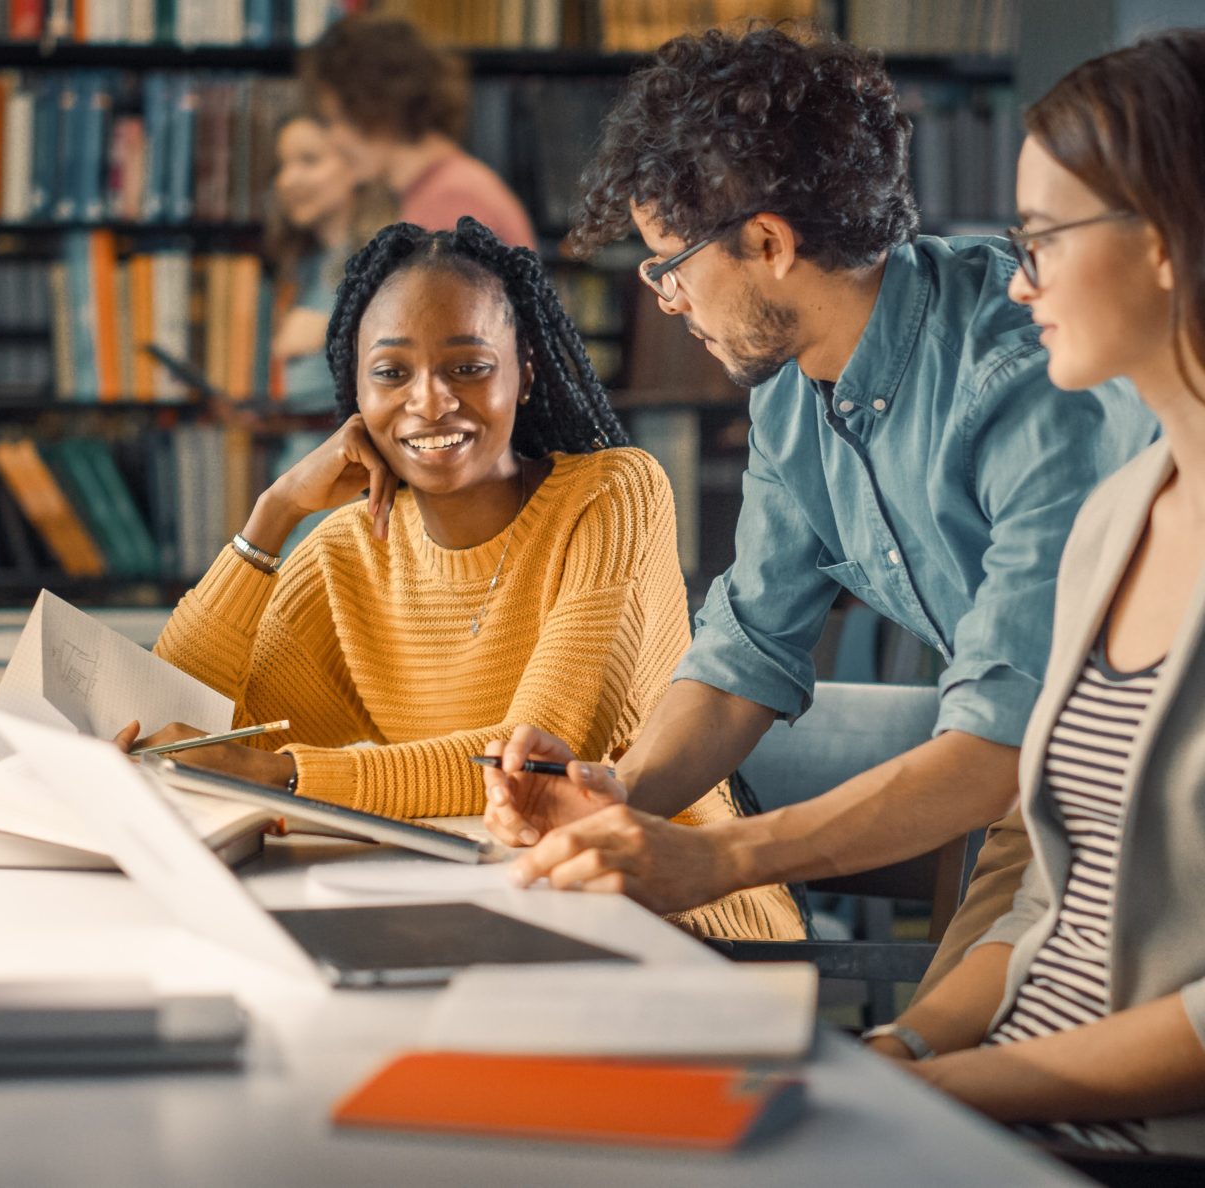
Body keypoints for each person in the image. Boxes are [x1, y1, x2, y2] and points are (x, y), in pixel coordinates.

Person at [478, 27, 1156, 994]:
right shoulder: (790, 400)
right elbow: (743, 656)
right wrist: (613, 795)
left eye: (668, 261)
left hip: (1133, 785)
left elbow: (998, 752)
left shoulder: (1021, 378)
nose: (665, 299)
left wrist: (719, 859)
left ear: (767, 242)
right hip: (1043, 785)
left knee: (953, 1086)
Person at [119, 217, 803, 941]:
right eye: (391, 373)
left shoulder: (611, 499)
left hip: (676, 917)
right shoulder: (344, 552)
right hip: (488, 909)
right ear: (355, 391)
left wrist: (288, 779)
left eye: (468, 367)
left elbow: (528, 764)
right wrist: (272, 512)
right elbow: (191, 732)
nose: (430, 400)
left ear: (526, 370)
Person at [859, 31, 1205, 1157]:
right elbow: (1047, 907)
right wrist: (906, 1050)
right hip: (1005, 1109)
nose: (1017, 282)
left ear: (1163, 242)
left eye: (1043, 238)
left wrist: (959, 1091)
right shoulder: (1116, 517)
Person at [298, 16, 536, 250]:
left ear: (377, 103)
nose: (333, 139)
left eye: (337, 120)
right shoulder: (439, 189)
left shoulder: (453, 200)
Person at [264, 112, 399, 410]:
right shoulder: (302, 266)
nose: (287, 180)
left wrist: (329, 330)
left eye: (309, 160)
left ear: (356, 166)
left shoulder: (387, 261)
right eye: (280, 166)